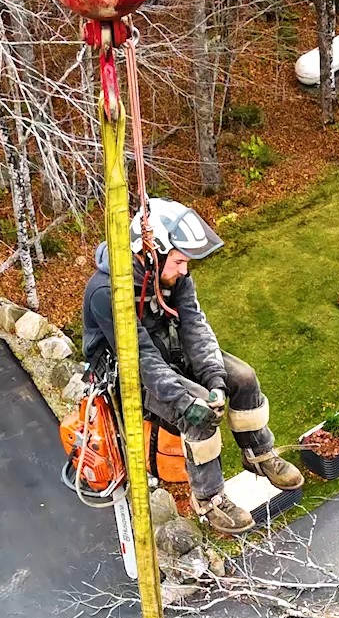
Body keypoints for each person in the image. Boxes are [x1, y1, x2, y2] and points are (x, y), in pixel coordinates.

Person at [82, 198, 303, 535]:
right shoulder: (108, 291)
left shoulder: (172, 276)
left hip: (170, 351)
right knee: (198, 409)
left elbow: (195, 328)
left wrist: (215, 376)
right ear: (151, 253)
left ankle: (258, 453)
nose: (184, 271)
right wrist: (185, 401)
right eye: (180, 262)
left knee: (243, 377)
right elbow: (140, 358)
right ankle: (210, 498)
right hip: (130, 373)